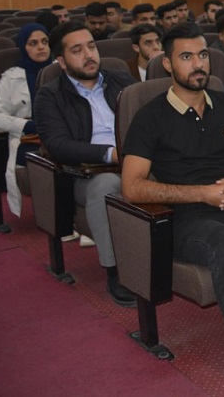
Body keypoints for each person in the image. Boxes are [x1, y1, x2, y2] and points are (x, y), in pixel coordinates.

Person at [120, 23, 224, 386]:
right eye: (186, 57)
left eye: (202, 55)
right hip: (188, 219)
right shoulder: (150, 117)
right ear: (167, 64)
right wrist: (202, 193)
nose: (198, 64)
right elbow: (132, 187)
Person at [34, 21, 137, 306]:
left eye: (91, 46)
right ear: (61, 61)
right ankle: (116, 272)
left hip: (136, 162)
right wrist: (111, 154)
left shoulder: (123, 81)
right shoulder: (50, 95)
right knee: (107, 187)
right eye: (77, 50)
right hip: (87, 173)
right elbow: (58, 145)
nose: (89, 55)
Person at [0, 23, 51, 217]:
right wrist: (27, 125)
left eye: (45, 42)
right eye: (33, 43)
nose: (41, 47)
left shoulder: (62, 70)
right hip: (29, 138)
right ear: (23, 47)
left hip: (62, 134)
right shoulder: (11, 77)